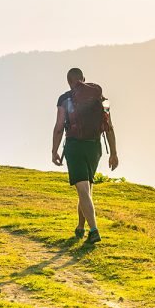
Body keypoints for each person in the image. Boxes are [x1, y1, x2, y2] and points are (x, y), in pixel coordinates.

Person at [52, 68, 118, 244]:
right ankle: (80, 227)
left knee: (82, 190)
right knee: (86, 190)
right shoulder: (102, 99)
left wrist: (54, 151)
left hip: (75, 147)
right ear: (84, 79)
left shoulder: (64, 99)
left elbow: (59, 126)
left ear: (69, 81)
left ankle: (94, 230)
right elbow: (109, 126)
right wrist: (114, 153)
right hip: (94, 147)